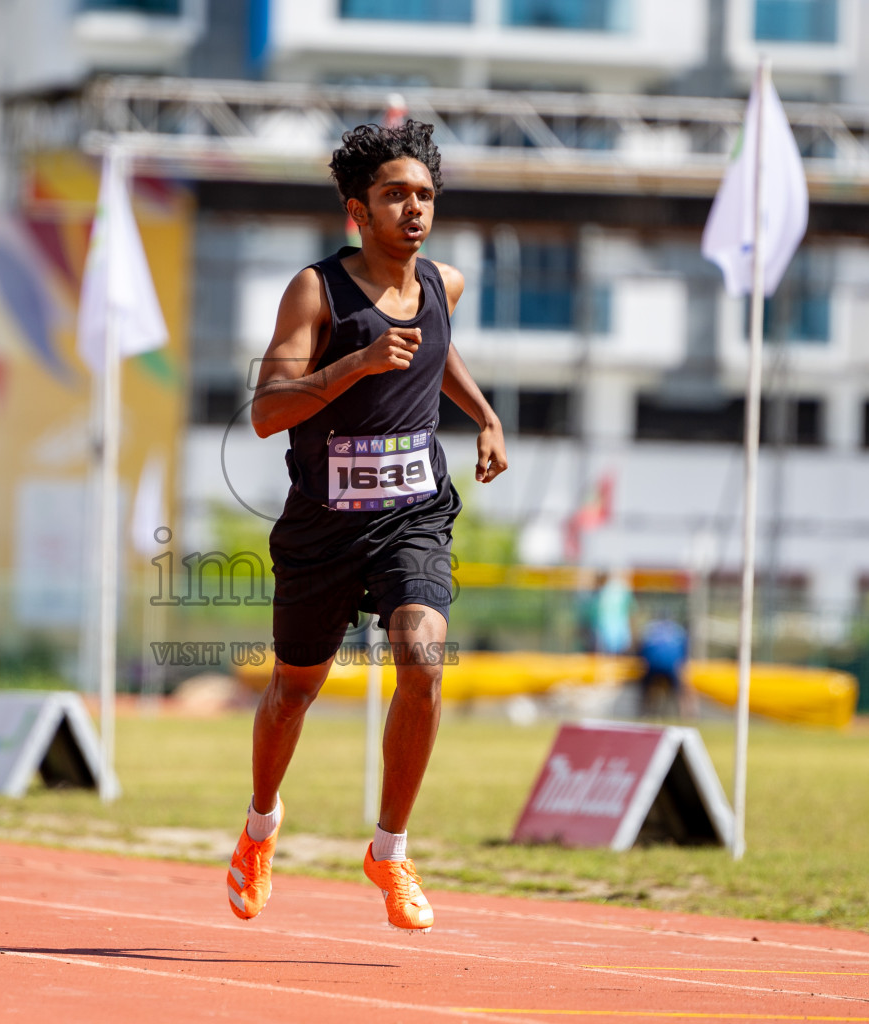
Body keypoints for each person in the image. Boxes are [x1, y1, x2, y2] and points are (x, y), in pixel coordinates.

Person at [228, 121, 508, 932]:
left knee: (422, 660)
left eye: (424, 194)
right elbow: (265, 414)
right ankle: (260, 829)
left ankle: (389, 851)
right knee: (293, 693)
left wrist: (485, 416)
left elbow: (438, 351)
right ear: (359, 210)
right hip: (322, 528)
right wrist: (355, 361)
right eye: (395, 195)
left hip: (412, 517)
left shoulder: (444, 284)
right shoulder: (316, 291)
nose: (414, 209)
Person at [636, 615, 695, 719]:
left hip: (652, 666)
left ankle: (644, 713)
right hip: (671, 666)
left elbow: (641, 650)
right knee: (684, 689)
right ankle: (688, 715)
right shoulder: (678, 630)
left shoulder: (650, 629)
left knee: (644, 689)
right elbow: (684, 655)